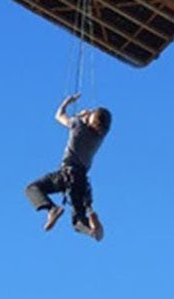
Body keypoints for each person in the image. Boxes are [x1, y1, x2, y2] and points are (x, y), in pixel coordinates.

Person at [25, 94, 111, 241]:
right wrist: (85, 117)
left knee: (32, 188)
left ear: (90, 120)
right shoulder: (99, 138)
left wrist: (67, 103)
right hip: (81, 181)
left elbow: (59, 115)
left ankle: (52, 209)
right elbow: (89, 124)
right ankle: (92, 231)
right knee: (78, 221)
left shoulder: (78, 126)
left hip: (66, 175)